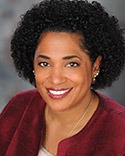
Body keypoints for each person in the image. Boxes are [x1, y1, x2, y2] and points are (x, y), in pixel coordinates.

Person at [0, 0, 125, 155]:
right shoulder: (19, 107)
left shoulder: (121, 132)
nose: (56, 79)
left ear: (95, 66)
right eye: (45, 63)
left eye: (71, 64)